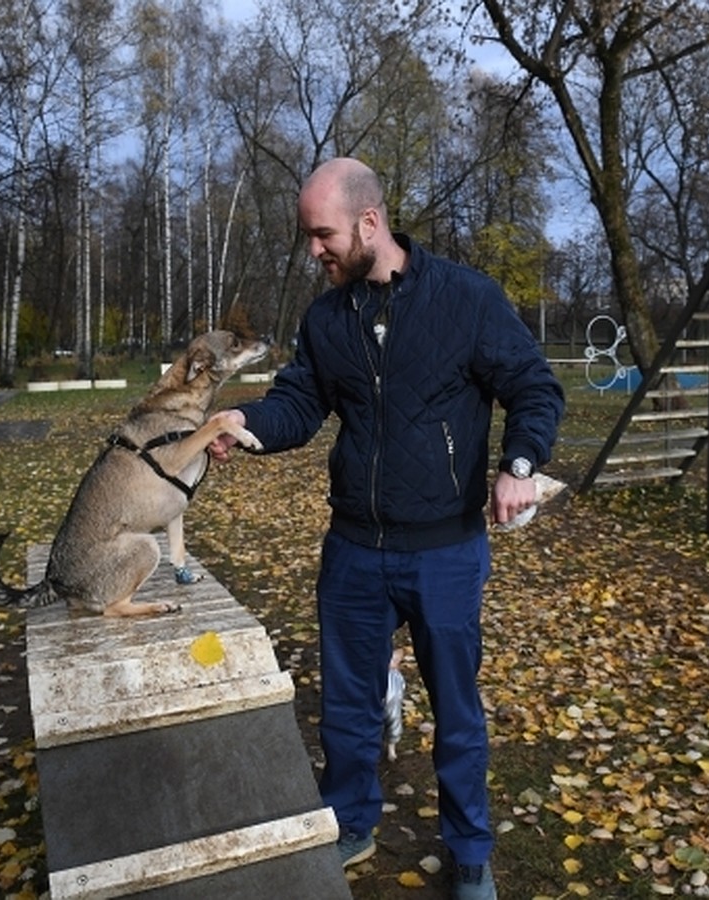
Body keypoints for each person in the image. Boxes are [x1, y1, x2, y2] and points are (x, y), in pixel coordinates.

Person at [210, 157, 564, 900]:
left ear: (369, 223)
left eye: (322, 234)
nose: (315, 251)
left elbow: (533, 385)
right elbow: (298, 406)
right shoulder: (326, 319)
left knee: (457, 712)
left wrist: (521, 463)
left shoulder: (465, 300)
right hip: (354, 555)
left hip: (444, 550)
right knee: (346, 707)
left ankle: (469, 852)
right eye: (311, 238)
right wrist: (247, 423)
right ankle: (350, 820)